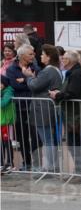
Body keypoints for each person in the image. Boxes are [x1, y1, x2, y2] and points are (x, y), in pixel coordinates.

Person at [49, 49, 81, 181]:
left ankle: (80, 172)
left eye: (64, 58)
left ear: (69, 61)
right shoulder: (73, 72)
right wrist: (60, 93)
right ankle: (79, 171)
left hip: (75, 114)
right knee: (73, 143)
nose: (61, 60)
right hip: (72, 114)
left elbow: (73, 93)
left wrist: (57, 94)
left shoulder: (76, 73)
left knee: (75, 143)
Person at [25, 43, 62, 173]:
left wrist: (29, 77)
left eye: (42, 54)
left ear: (49, 56)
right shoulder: (55, 70)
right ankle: (52, 166)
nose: (40, 56)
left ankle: (49, 167)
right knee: (49, 139)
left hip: (43, 109)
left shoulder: (48, 71)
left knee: (46, 139)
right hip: (48, 108)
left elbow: (35, 86)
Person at [5, 42, 39, 170]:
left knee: (36, 137)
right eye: (30, 54)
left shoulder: (35, 67)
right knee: (22, 137)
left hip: (33, 107)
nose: (33, 55)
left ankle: (37, 162)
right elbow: (15, 86)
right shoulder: (11, 69)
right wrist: (30, 80)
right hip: (19, 108)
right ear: (22, 55)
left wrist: (25, 80)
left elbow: (38, 83)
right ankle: (27, 162)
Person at [1, 75, 15, 173]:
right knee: (1, 143)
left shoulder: (8, 91)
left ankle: (10, 163)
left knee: (7, 142)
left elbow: (3, 103)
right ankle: (1, 163)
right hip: (1, 121)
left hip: (7, 121)